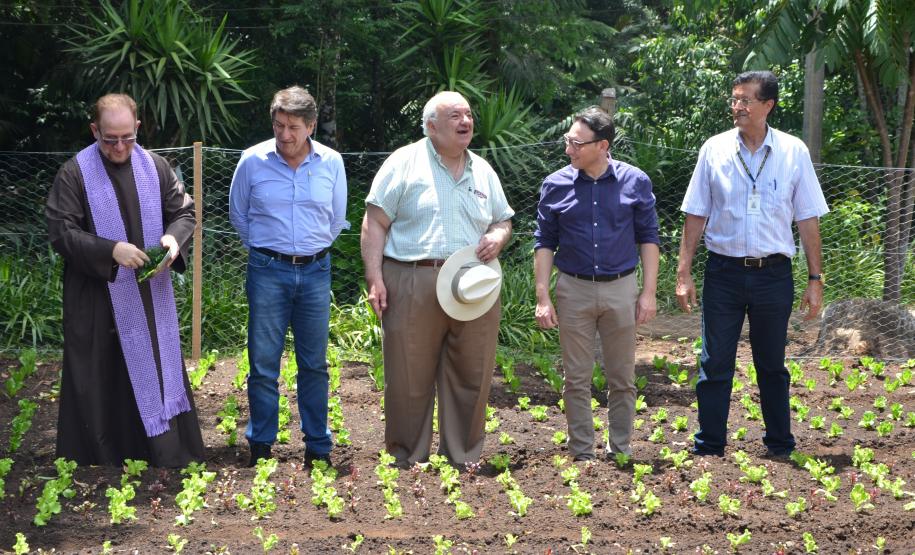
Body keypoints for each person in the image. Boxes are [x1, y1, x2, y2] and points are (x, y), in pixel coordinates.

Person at [675, 70, 828, 458]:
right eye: (735, 99)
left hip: (773, 275)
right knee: (714, 362)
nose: (737, 106)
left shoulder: (794, 152)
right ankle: (709, 447)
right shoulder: (714, 148)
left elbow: (807, 218)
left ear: (768, 106)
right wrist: (683, 272)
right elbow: (695, 213)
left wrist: (815, 279)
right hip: (723, 273)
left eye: (745, 100)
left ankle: (779, 445)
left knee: (772, 364)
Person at [46, 93, 204, 467]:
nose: (119, 147)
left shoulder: (157, 166)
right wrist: (110, 251)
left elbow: (185, 212)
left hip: (149, 295)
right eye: (109, 139)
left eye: (127, 137)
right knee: (101, 374)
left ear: (137, 127)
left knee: (153, 363)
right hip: (95, 296)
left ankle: (160, 453)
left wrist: (172, 240)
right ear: (94, 130)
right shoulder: (74, 173)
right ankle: (102, 458)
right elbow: (61, 232)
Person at [360, 91, 514, 468]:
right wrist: (375, 278)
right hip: (413, 279)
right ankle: (407, 457)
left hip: (473, 283)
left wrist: (498, 236)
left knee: (473, 371)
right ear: (431, 126)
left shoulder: (483, 170)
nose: (466, 122)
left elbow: (502, 220)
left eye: (468, 115)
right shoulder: (404, 163)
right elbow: (375, 223)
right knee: (408, 373)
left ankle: (464, 456)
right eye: (454, 116)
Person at [229, 86, 349, 468]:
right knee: (263, 363)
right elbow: (239, 215)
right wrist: (270, 250)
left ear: (311, 125)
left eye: (293, 127)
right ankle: (261, 446)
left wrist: (308, 251)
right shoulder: (252, 161)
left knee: (313, 363)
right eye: (279, 125)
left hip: (316, 271)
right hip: (267, 270)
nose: (284, 135)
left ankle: (317, 447)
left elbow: (335, 220)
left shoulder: (332, 163)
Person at [533, 107, 660, 461]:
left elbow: (649, 238)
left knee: (623, 377)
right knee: (576, 378)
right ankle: (583, 453)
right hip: (573, 289)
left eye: (576, 143)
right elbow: (544, 242)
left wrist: (648, 292)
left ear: (602, 145)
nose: (568, 149)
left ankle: (620, 448)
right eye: (567, 141)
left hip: (621, 288)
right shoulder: (555, 184)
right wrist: (543, 296)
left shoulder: (635, 181)